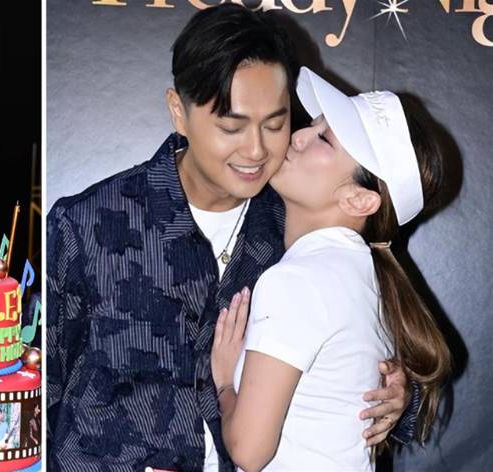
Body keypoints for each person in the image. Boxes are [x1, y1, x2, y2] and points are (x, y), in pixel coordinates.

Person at [46, 4, 416, 471]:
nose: (257, 149)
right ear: (179, 113)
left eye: (276, 124)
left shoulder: (305, 227)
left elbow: (363, 361)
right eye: (231, 126)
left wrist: (398, 395)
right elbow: (38, 382)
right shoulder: (87, 225)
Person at [210, 68, 451, 471]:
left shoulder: (299, 279)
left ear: (360, 200)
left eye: (322, 138)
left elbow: (249, 452)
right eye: (313, 126)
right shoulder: (367, 278)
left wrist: (224, 382)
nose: (297, 136)